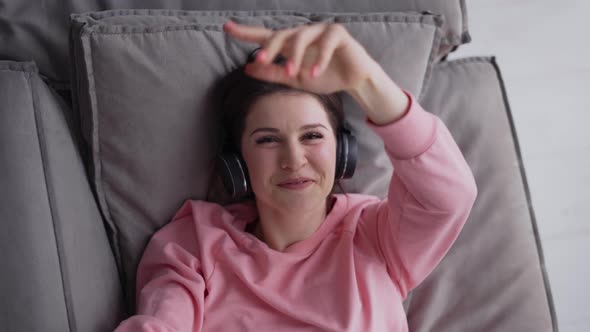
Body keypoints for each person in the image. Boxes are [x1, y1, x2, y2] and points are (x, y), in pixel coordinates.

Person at [114, 20, 477, 331]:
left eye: (312, 136)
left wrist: (368, 82)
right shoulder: (193, 244)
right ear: (237, 161)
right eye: (268, 140)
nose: (293, 159)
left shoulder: (377, 236)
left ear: (343, 150)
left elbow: (449, 197)